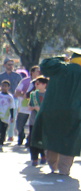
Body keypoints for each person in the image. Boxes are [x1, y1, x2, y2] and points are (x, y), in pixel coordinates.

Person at [29, 48, 81, 176]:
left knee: (52, 137)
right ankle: (64, 169)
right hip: (73, 112)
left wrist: (60, 58)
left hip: (51, 110)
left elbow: (45, 64)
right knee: (69, 139)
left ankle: (53, 166)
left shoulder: (60, 68)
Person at [0, 58, 22, 142]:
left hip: (13, 99)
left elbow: (21, 88)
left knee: (12, 117)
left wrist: (17, 94)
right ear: (4, 65)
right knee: (3, 117)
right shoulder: (1, 76)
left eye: (12, 64)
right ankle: (2, 134)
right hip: (3, 99)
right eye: (9, 64)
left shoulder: (17, 76)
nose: (11, 66)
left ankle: (10, 135)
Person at [14, 65, 40, 146]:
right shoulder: (25, 81)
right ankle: (21, 135)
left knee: (32, 126)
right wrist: (24, 95)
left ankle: (29, 140)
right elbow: (17, 92)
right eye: (37, 71)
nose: (39, 72)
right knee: (20, 125)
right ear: (32, 72)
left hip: (34, 108)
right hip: (24, 107)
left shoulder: (41, 82)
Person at [27, 76, 48, 167]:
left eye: (38, 83)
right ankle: (34, 158)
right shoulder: (33, 94)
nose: (36, 85)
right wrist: (34, 108)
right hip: (33, 120)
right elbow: (29, 106)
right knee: (32, 139)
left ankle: (43, 155)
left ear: (44, 85)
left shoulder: (48, 95)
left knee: (42, 139)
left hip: (44, 121)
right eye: (36, 83)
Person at [0, 80, 15, 152]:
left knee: (3, 130)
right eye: (2, 86)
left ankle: (1, 142)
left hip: (5, 116)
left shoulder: (10, 97)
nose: (3, 87)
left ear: (8, 87)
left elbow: (12, 107)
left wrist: (12, 117)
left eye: (5, 86)